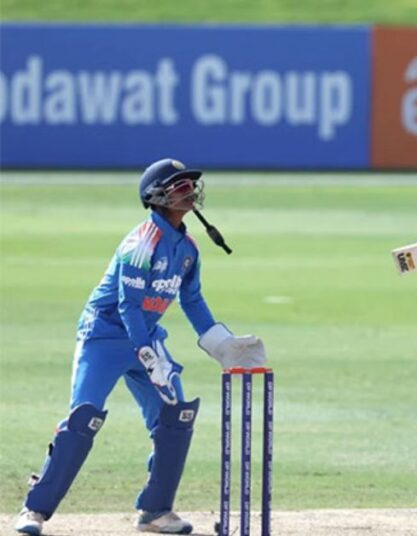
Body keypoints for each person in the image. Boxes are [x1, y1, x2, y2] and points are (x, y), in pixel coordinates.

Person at [14, 158, 266, 535]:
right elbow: (127, 306)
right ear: (157, 196)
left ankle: (155, 510)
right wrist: (149, 357)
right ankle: (34, 510)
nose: (189, 192)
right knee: (83, 419)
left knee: (176, 418)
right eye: (179, 187)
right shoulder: (141, 243)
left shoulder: (188, 248)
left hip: (145, 335)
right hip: (104, 335)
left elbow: (192, 301)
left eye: (190, 186)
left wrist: (222, 344)